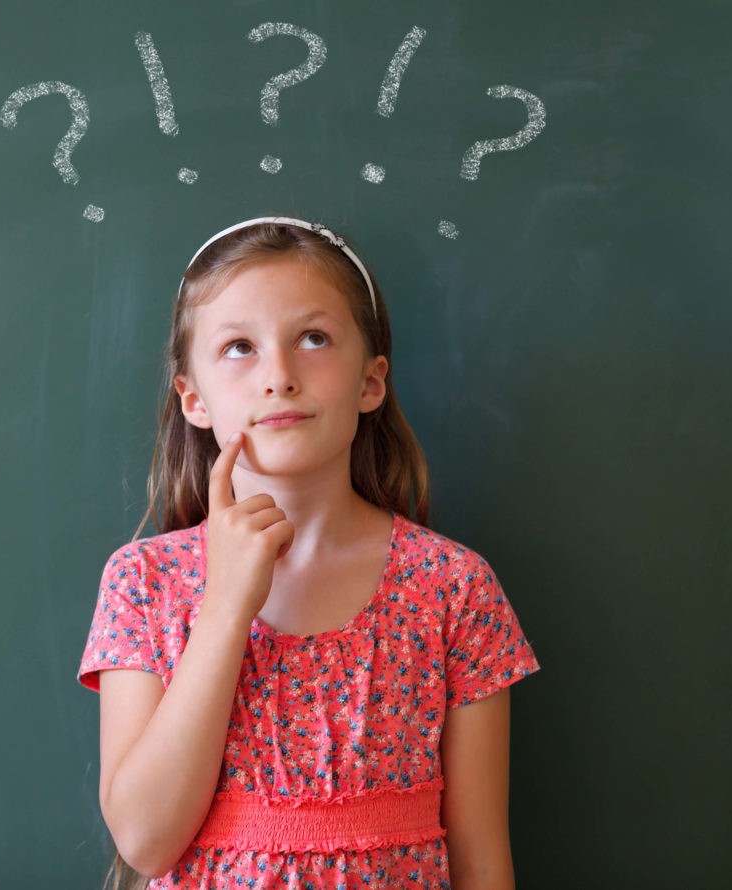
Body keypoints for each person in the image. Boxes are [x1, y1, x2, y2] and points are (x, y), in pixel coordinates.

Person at [77, 217, 541, 889]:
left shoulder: (452, 586)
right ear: (193, 399)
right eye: (239, 347)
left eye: (314, 339)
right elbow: (146, 841)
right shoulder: (144, 581)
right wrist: (228, 605)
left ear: (369, 383)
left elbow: (482, 863)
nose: (279, 376)